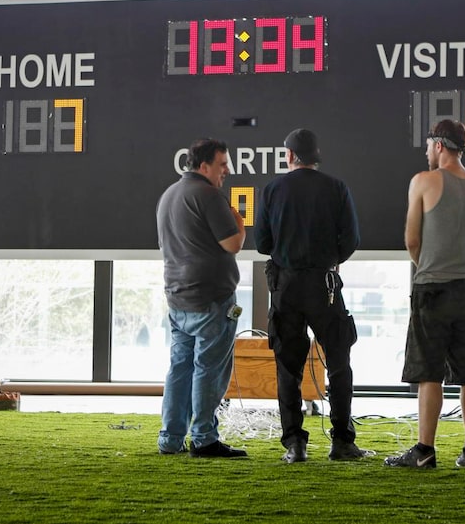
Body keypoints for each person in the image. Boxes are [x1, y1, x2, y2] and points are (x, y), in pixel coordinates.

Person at [254, 127, 370, 463]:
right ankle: (342, 442)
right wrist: (329, 260)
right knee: (338, 362)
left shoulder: (273, 190)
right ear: (316, 156)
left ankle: (295, 443)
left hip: (286, 288)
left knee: (288, 367)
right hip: (325, 286)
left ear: (289, 156)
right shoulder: (336, 188)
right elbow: (350, 240)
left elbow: (262, 243)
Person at [385, 119, 465, 470]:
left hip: (432, 288)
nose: (427, 152)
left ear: (439, 145)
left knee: (430, 372)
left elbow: (412, 241)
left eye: (429, 145)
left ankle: (424, 451)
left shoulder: (424, 181)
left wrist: (427, 265)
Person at [156, 138, 247, 458]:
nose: (227, 171)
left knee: (180, 368)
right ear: (204, 166)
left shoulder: (169, 195)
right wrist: (239, 222)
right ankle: (205, 438)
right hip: (211, 299)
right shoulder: (209, 196)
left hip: (178, 298)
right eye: (223, 164)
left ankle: (170, 438)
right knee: (209, 369)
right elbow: (233, 244)